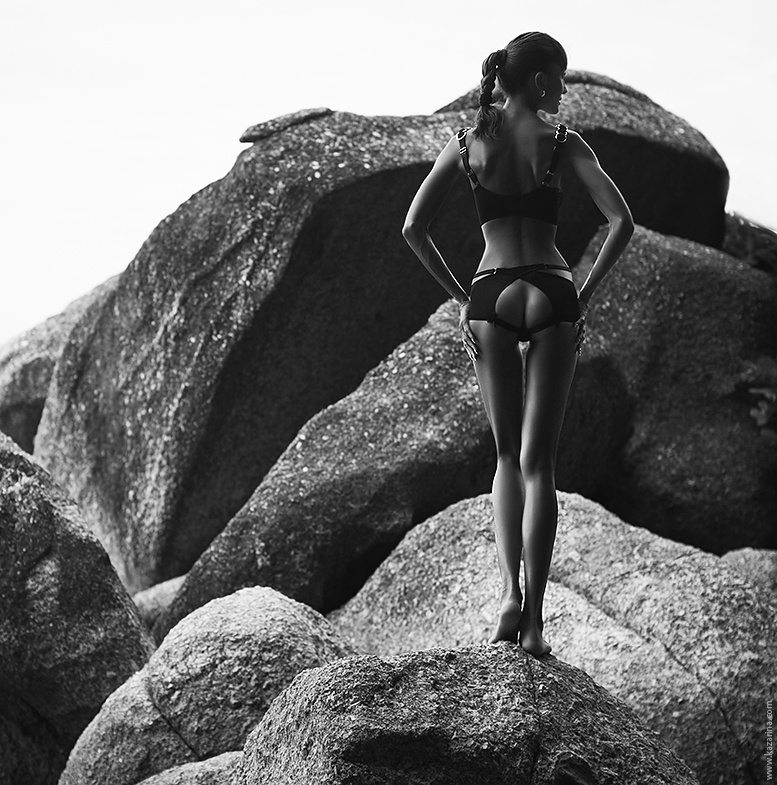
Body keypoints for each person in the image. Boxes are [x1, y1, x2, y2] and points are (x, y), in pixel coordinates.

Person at [402, 32, 634, 656]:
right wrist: (582, 293)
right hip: (553, 291)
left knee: (506, 458)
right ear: (538, 81)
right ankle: (534, 624)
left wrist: (462, 297)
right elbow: (622, 221)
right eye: (561, 78)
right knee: (540, 465)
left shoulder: (467, 142)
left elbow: (414, 228)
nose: (564, 90)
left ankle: (509, 595)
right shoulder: (563, 142)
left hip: (491, 294)